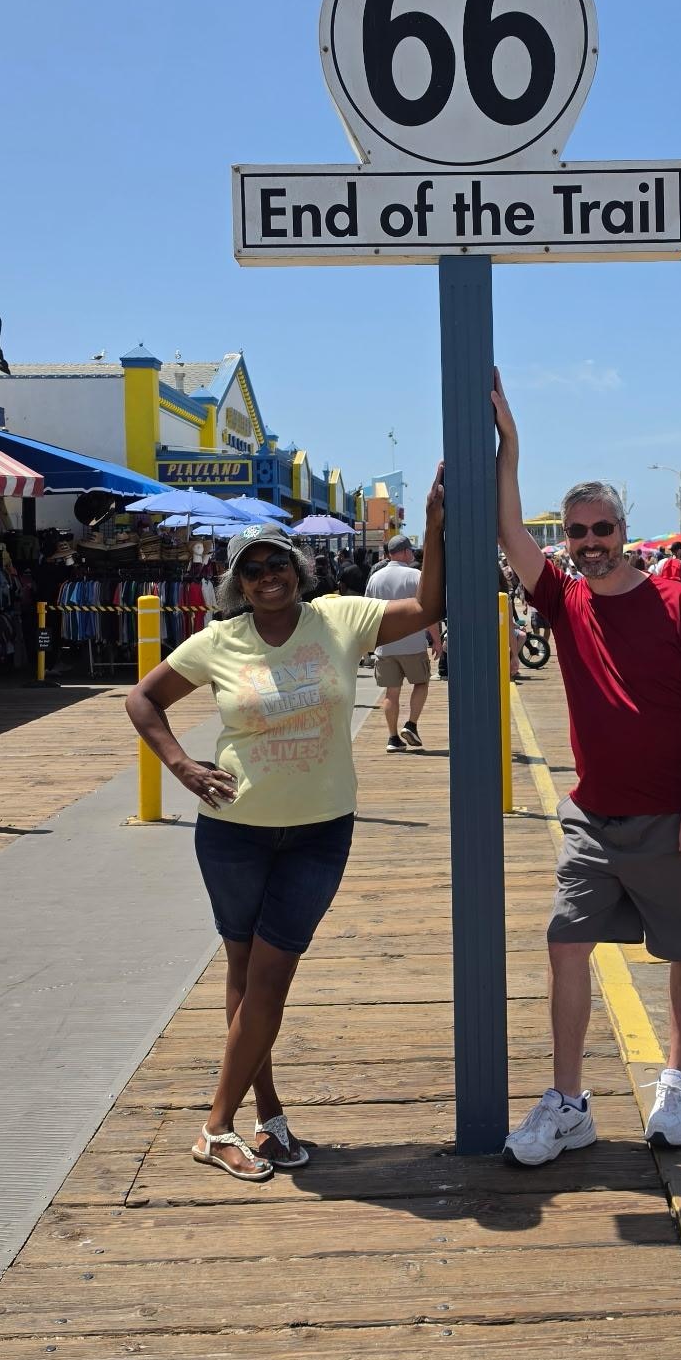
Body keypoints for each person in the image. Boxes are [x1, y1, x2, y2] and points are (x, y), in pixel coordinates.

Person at [125, 477, 445, 1183]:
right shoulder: (218, 642)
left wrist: (430, 524)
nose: (267, 577)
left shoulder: (339, 619)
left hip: (319, 831)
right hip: (234, 830)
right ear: (235, 582)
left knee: (268, 975)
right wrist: (180, 765)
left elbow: (430, 605)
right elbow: (142, 699)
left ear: (298, 570)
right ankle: (254, 1116)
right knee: (248, 977)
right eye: (252, 568)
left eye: (277, 564)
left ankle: (218, 1125)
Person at [492, 370, 681, 1162]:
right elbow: (505, 529)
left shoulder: (676, 603)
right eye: (576, 532)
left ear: (621, 531)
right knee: (565, 943)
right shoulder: (563, 600)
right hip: (591, 816)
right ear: (564, 538)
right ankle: (567, 1103)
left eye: (600, 529)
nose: (588, 542)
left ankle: (676, 1080)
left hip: (674, 813)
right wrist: (509, 442)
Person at [367, 533, 437, 752]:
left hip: (385, 644)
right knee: (421, 682)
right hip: (413, 643)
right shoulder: (416, 575)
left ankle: (393, 738)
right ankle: (411, 724)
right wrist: (437, 640)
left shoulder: (375, 578)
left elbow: (367, 611)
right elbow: (427, 611)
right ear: (406, 552)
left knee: (391, 692)